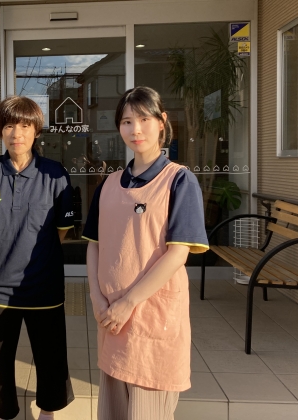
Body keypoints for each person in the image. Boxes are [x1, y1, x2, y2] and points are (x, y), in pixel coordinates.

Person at [82, 86, 209, 420]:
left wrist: (128, 303)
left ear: (162, 121)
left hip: (152, 320)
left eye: (143, 119)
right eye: (127, 121)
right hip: (112, 321)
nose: (135, 129)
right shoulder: (109, 184)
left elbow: (178, 253)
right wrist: (96, 297)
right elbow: (94, 244)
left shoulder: (178, 180)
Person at [0, 96, 75, 420]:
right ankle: (4, 413)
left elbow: (61, 231)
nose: (17, 133)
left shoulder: (55, 174)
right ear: (1, 130)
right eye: (10, 126)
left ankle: (48, 411)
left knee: (51, 356)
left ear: (36, 131)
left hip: (44, 286)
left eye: (25, 126)